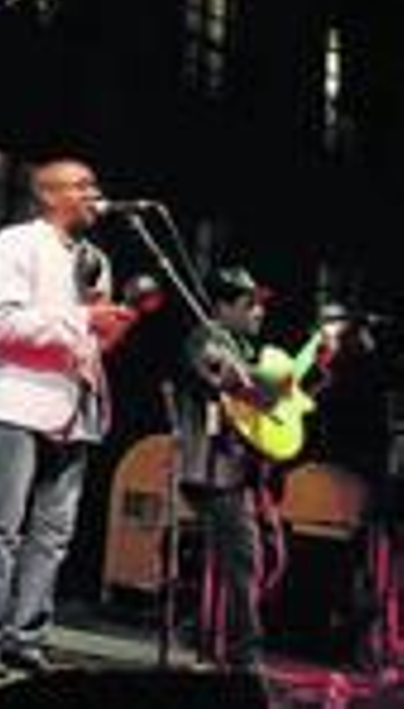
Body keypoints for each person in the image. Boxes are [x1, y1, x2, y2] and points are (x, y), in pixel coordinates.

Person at [0, 158, 138, 677]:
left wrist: (115, 325)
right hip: (16, 398)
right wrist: (85, 318)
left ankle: (26, 636)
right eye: (82, 186)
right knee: (3, 526)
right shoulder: (15, 243)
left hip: (73, 405)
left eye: (94, 185)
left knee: (54, 533)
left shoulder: (96, 260)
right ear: (48, 194)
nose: (94, 194)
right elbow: (5, 324)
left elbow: (94, 342)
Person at [178, 265, 286, 673]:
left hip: (240, 472)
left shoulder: (240, 346)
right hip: (213, 471)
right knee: (245, 559)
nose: (259, 312)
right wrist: (279, 383)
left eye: (260, 305)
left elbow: (270, 403)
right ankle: (242, 657)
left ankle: (219, 643)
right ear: (222, 306)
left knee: (263, 558)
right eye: (249, 304)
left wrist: (312, 372)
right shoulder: (204, 338)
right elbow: (222, 379)